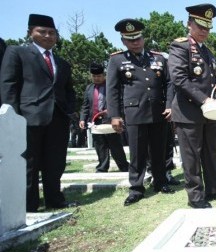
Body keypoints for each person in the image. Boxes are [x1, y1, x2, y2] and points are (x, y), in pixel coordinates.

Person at [0, 14, 78, 212]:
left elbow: (69, 91)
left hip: (57, 118)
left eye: (52, 32)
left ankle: (55, 199)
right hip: (28, 117)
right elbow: (9, 85)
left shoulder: (62, 63)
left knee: (55, 163)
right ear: (30, 32)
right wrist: (13, 117)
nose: (47, 36)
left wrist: (69, 111)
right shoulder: (16, 52)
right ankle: (29, 205)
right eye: (42, 31)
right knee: (29, 164)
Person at [168, 3, 216, 209]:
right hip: (188, 113)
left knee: (210, 154)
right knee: (192, 157)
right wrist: (205, 99)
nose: (204, 31)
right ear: (189, 24)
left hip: (210, 113)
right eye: (200, 26)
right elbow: (179, 79)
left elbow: (209, 80)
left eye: (207, 28)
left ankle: (214, 189)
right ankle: (196, 197)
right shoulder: (180, 47)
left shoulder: (208, 52)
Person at [106, 18, 174, 206]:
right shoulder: (116, 59)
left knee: (159, 151)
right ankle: (136, 188)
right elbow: (112, 89)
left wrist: (170, 105)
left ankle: (160, 182)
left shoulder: (158, 58)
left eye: (138, 38)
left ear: (144, 38)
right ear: (123, 41)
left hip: (159, 111)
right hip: (134, 113)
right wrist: (115, 115)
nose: (135, 42)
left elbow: (169, 83)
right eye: (130, 39)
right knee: (137, 153)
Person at [79, 63, 129, 173]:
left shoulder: (111, 86)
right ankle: (102, 167)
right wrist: (82, 118)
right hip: (95, 122)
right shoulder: (89, 88)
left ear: (104, 75)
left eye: (99, 76)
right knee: (100, 146)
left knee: (115, 146)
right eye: (94, 76)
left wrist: (113, 112)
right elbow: (85, 105)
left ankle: (124, 166)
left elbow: (120, 101)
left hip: (111, 120)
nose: (96, 78)